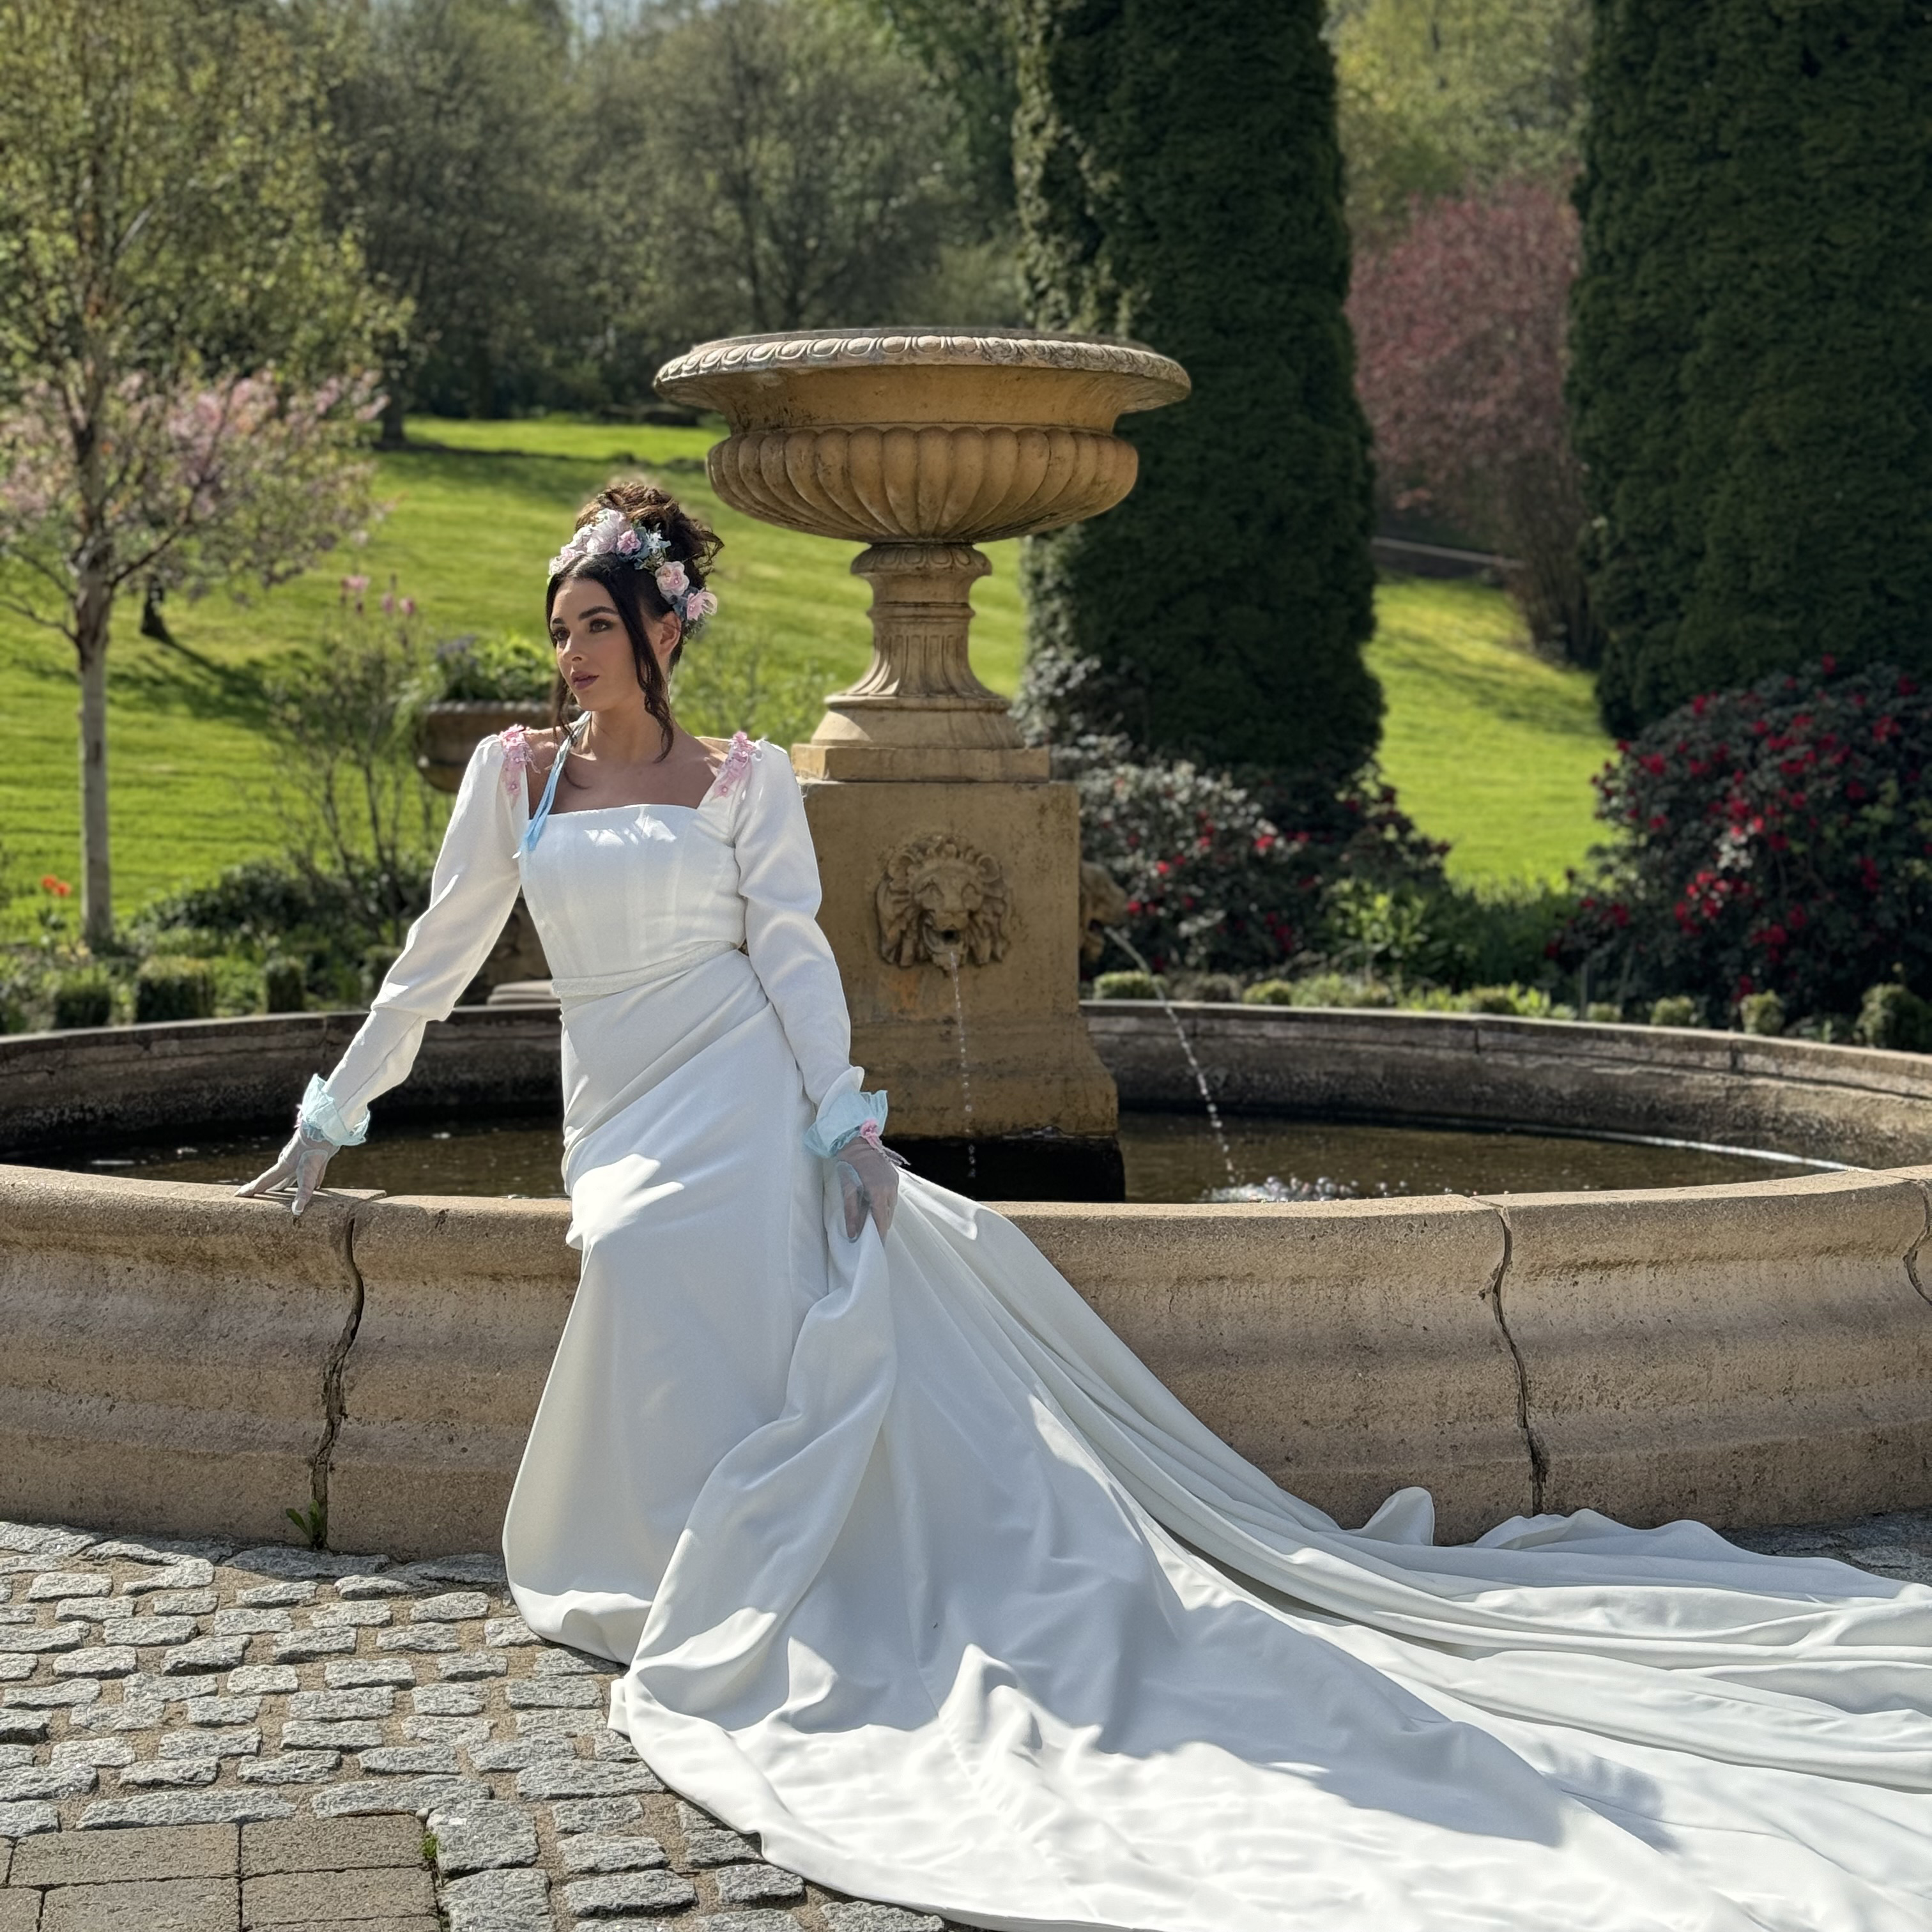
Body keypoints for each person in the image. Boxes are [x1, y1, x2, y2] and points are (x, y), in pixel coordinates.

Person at [242, 482, 1932, 1932]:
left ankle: (757, 1560)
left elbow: (797, 965)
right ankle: (694, 1550)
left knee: (693, 1250)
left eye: (597, 628)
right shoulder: (515, 780)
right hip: (620, 1110)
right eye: (560, 630)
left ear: (660, 632)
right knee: (630, 1241)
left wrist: (842, 1125)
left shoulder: (746, 781)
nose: (572, 655)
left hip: (743, 1091)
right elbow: (432, 963)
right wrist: (332, 1118)